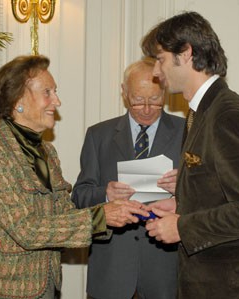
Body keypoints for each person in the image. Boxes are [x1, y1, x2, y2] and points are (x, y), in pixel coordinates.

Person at [0, 55, 149, 299]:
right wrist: (100, 217)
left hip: (39, 287)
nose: (57, 101)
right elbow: (26, 229)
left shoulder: (46, 152)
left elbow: (62, 215)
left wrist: (111, 210)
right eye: (47, 92)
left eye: (56, 92)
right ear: (18, 100)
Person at [141, 11, 239, 298]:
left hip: (238, 287)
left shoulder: (227, 115)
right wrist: (179, 203)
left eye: (160, 59)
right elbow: (219, 188)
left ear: (185, 53)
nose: (156, 72)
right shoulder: (200, 112)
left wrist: (182, 227)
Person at [71, 57, 184, 299]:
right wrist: (105, 194)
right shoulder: (98, 135)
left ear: (164, 90)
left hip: (166, 272)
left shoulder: (188, 133)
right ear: (124, 93)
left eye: (154, 100)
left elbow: (212, 195)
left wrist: (183, 188)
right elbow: (79, 196)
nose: (145, 109)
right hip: (111, 272)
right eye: (137, 100)